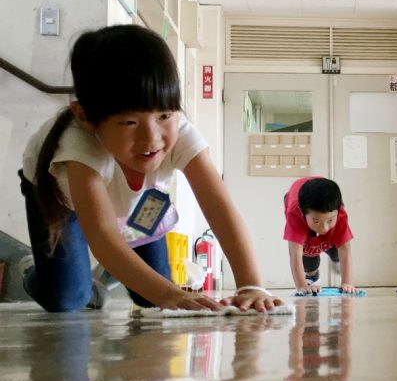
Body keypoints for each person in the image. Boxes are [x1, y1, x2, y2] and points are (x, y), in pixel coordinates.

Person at [20, 25, 281, 313]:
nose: (152, 139)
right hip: (59, 200)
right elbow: (102, 234)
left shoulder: (181, 133)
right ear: (85, 117)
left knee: (150, 295)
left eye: (164, 115)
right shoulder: (78, 146)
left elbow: (220, 207)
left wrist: (251, 285)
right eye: (129, 122)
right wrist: (172, 296)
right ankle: (33, 269)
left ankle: (106, 274)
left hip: (139, 203)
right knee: (67, 298)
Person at [283, 175, 356, 294]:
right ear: (302, 213)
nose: (324, 228)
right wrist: (302, 286)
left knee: (336, 246)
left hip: (324, 197)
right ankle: (312, 275)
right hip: (298, 202)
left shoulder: (340, 214)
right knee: (308, 252)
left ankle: (336, 259)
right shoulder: (295, 214)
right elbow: (295, 254)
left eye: (330, 220)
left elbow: (345, 248)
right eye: (316, 221)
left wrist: (347, 282)